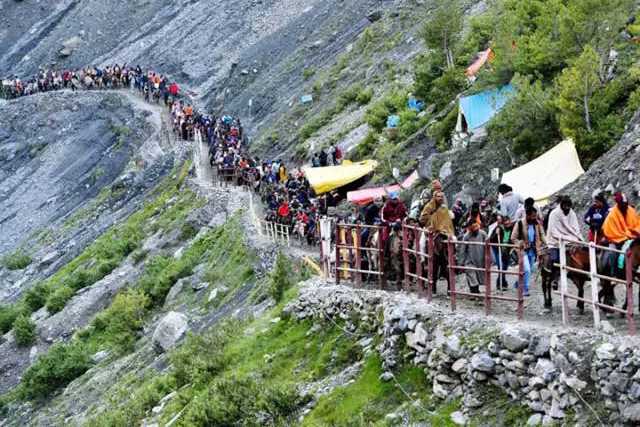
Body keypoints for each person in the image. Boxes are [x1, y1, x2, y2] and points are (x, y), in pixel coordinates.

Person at [512, 207, 547, 296]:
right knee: (527, 269)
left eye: (535, 216)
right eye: (533, 216)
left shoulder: (537, 224)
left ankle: (518, 282)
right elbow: (513, 237)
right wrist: (520, 243)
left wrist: (546, 243)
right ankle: (525, 289)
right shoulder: (519, 223)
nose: (534, 218)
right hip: (522, 250)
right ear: (527, 215)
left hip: (533, 250)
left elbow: (542, 234)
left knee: (529, 270)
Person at [602, 192, 640, 270]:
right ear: (618, 204)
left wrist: (634, 233)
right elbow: (610, 232)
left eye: (626, 203)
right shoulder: (612, 215)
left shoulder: (631, 210)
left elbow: (637, 224)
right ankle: (614, 273)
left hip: (632, 237)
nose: (625, 206)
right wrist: (626, 236)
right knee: (612, 252)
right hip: (617, 239)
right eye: (623, 204)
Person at [545, 196, 583, 272]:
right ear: (561, 205)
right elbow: (553, 232)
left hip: (570, 239)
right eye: (565, 206)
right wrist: (565, 238)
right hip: (555, 241)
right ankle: (554, 278)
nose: (567, 209)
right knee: (555, 258)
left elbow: (575, 228)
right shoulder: (554, 213)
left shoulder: (572, 213)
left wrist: (577, 238)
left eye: (568, 207)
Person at [460, 220, 488, 294]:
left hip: (480, 259)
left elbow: (488, 247)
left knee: (478, 277)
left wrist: (488, 259)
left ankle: (475, 291)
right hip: (470, 260)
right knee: (472, 276)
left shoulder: (483, 234)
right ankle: (474, 292)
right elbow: (463, 250)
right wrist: (461, 262)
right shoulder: (466, 236)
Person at [489, 215, 514, 290]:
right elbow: (491, 239)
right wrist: (496, 234)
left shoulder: (512, 228)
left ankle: (501, 282)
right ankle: (501, 283)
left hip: (507, 250)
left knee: (505, 267)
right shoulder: (499, 228)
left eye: (508, 224)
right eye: (505, 224)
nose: (507, 225)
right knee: (501, 267)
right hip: (498, 249)